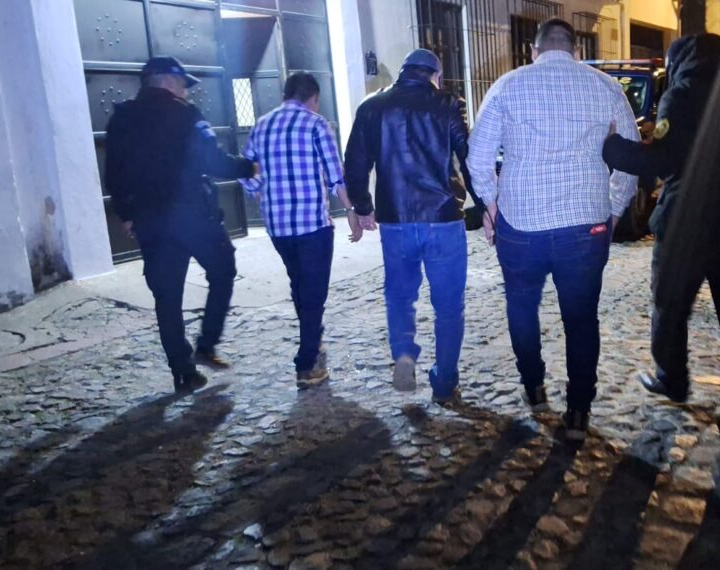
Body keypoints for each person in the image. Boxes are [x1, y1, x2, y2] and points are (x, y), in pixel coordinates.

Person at [602, 34, 720, 447]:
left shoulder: (682, 95)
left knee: (670, 306)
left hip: (687, 225)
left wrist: (613, 148)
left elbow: (663, 160)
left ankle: (673, 378)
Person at [467, 19, 640, 441]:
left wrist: (491, 207)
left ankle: (534, 387)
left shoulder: (508, 85)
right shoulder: (606, 87)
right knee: (581, 319)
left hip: (521, 226)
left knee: (522, 307)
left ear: (534, 50)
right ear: (576, 50)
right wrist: (614, 210)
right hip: (585, 225)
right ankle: (578, 411)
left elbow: (477, 158)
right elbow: (631, 158)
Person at [105, 56, 256, 394]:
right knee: (223, 269)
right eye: (183, 85)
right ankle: (207, 343)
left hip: (151, 221)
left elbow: (114, 173)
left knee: (167, 296)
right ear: (169, 82)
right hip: (192, 216)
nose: (186, 91)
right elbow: (214, 162)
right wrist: (250, 168)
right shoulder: (187, 116)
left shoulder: (122, 118)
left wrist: (127, 214)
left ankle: (183, 370)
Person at [344, 49, 484, 403]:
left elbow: (355, 162)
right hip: (443, 218)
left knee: (400, 295)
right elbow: (469, 158)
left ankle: (404, 352)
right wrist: (484, 207)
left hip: (396, 219)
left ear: (404, 72)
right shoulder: (447, 104)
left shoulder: (372, 107)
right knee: (449, 306)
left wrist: (363, 207)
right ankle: (445, 381)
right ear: (435, 75)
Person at [240, 72, 361, 388]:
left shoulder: (261, 125)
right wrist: (350, 211)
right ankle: (307, 363)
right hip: (312, 225)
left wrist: (260, 195)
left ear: (286, 95)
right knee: (314, 293)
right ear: (314, 98)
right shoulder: (317, 125)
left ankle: (313, 337)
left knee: (299, 284)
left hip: (278, 226)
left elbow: (245, 170)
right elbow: (335, 174)